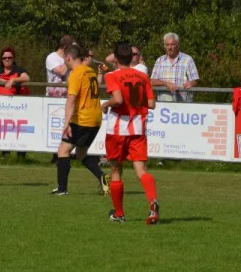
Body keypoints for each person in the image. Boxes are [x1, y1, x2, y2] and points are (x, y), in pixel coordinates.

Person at [102, 43, 159, 224]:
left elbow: (117, 99)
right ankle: (152, 202)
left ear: (116, 60)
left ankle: (119, 213)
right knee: (141, 170)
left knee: (116, 170)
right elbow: (151, 104)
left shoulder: (112, 75)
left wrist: (105, 105)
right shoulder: (142, 76)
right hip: (138, 128)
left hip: (118, 129)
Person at [51, 44, 107, 196]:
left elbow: (71, 99)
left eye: (65, 60)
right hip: (95, 119)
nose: (65, 62)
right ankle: (103, 178)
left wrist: (66, 123)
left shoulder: (76, 73)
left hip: (81, 119)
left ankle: (62, 189)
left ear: (68, 57)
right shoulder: (90, 71)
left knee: (63, 150)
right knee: (81, 153)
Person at [0, 46, 30, 159]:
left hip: (17, 106)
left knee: (19, 130)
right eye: (4, 57)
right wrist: (1, 80)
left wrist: (13, 80)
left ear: (13, 58)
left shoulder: (19, 70)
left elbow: (26, 78)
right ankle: (4, 153)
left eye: (9, 57)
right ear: (1, 59)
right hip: (0, 106)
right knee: (2, 129)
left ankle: (21, 155)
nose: (7, 59)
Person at [47, 35, 75, 163]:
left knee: (68, 124)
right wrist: (67, 60)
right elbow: (62, 72)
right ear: (64, 48)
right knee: (56, 127)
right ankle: (55, 154)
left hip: (68, 95)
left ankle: (67, 152)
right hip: (54, 97)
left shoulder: (69, 58)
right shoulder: (51, 57)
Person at [150, 32, 199, 102]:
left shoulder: (188, 59)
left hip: (183, 104)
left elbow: (195, 81)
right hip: (164, 104)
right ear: (164, 46)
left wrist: (190, 83)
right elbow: (152, 81)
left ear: (178, 45)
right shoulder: (159, 61)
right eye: (167, 45)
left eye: (172, 44)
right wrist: (166, 84)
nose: (169, 47)